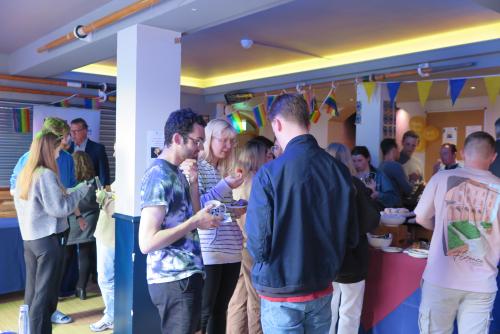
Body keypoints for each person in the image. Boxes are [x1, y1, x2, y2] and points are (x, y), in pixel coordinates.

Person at [246, 94, 356, 333]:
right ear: (308, 123)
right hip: (321, 286)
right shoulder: (338, 170)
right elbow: (351, 236)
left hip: (281, 289)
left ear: (276, 124)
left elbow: (258, 245)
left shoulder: (268, 174)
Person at [139, 109, 222, 334]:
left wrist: (193, 183)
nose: (200, 148)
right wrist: (194, 221)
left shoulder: (176, 172)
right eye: (197, 141)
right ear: (177, 139)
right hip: (174, 279)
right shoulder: (159, 175)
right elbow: (146, 242)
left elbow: (192, 214)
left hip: (187, 275)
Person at [415, 131, 500, 334]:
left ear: (462, 153)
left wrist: (443, 227)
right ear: (493, 156)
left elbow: (420, 218)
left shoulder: (441, 178)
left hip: (440, 279)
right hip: (481, 283)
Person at [13, 131, 90, 334]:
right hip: (47, 242)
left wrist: (71, 191)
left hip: (30, 240)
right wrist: (81, 191)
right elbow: (60, 209)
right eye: (57, 149)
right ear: (49, 149)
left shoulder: (26, 173)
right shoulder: (46, 174)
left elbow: (52, 201)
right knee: (45, 296)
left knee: (32, 293)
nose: (59, 154)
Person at [196, 118, 245, 334]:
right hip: (210, 250)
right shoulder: (196, 167)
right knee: (205, 312)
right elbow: (198, 207)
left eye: (231, 142)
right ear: (209, 139)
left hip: (231, 248)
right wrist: (225, 185)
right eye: (223, 140)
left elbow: (218, 209)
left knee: (220, 309)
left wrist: (236, 207)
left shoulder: (219, 170)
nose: (227, 146)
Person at [326, 143, 380, 334]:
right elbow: (370, 221)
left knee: (329, 310)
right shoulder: (354, 185)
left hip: (326, 259)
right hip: (352, 257)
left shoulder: (319, 185)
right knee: (350, 311)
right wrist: (372, 197)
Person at [227, 140, 272, 334]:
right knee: (256, 300)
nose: (270, 157)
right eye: (267, 154)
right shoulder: (257, 181)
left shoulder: (236, 180)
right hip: (252, 247)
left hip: (236, 245)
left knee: (237, 299)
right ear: (258, 156)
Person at [64, 151, 99, 300]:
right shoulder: (95, 181)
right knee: (85, 255)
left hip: (72, 221)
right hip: (90, 221)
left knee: (66, 256)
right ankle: (81, 289)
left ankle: (59, 288)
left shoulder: (70, 182)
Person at [90, 146, 116, 332]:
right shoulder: (125, 173)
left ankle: (112, 317)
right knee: (107, 278)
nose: (114, 153)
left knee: (106, 278)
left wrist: (105, 199)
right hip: (106, 232)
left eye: (116, 149)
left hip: (111, 235)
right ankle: (113, 315)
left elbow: (117, 208)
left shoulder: (133, 173)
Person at [68, 118, 111, 188]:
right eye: (71, 131)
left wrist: (107, 195)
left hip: (91, 194)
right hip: (71, 193)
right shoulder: (67, 149)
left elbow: (104, 175)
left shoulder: (98, 149)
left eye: (76, 131)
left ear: (85, 131)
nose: (73, 134)